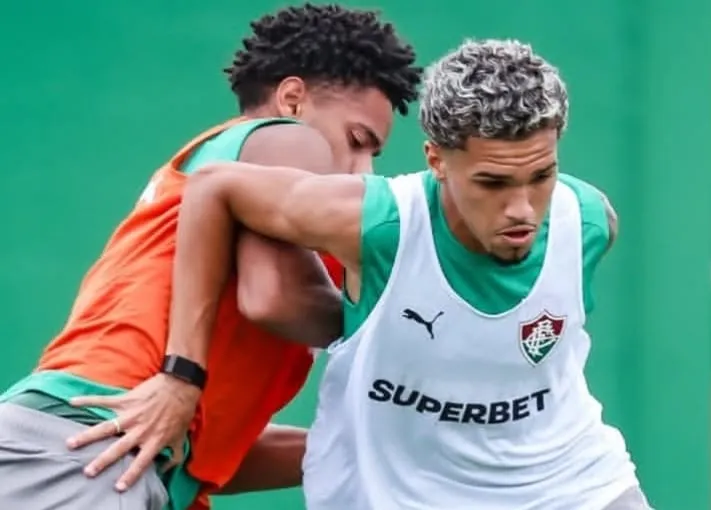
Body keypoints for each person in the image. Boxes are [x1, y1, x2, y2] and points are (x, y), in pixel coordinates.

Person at [164, 38, 652, 509]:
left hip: (572, 484)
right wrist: (181, 376)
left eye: (541, 176)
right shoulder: (381, 223)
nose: (522, 209)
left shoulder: (588, 221)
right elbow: (213, 187)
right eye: (493, 183)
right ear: (437, 160)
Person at [0, 4, 421, 510]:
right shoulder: (288, 140)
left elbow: (211, 457)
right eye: (356, 141)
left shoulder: (232, 193)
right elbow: (274, 297)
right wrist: (420, 330)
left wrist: (387, 445)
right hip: (84, 449)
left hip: (112, 458)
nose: (363, 170)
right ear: (292, 99)